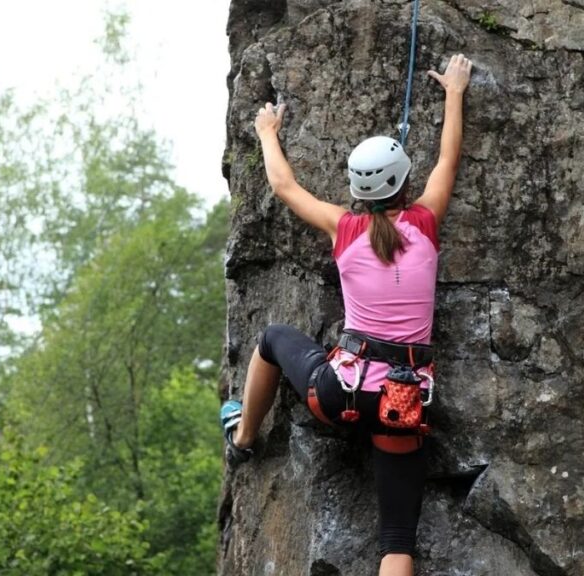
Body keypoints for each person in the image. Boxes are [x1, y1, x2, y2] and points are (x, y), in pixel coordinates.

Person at [221, 53, 472, 576]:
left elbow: (285, 187)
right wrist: (453, 91)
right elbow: (449, 160)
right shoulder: (426, 222)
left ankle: (244, 436)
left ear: (356, 190)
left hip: (342, 393)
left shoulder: (345, 229)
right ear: (405, 183)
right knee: (397, 540)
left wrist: (268, 132)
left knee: (271, 340)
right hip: (402, 403)